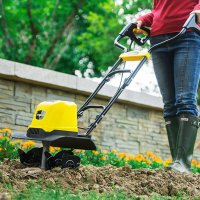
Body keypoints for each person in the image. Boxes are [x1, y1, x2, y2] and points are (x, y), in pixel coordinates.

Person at [136, 0, 200, 173]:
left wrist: (197, 10)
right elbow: (160, 11)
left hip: (187, 35)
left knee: (185, 99)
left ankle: (183, 164)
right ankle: (176, 164)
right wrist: (143, 19)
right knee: (169, 104)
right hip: (158, 40)